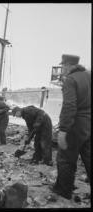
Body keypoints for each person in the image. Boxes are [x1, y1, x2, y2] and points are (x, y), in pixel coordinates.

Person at [51, 54, 91, 200]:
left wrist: (63, 130)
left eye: (63, 66)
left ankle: (64, 190)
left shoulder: (71, 80)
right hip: (88, 125)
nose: (62, 70)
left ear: (68, 65)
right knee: (88, 158)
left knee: (66, 158)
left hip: (75, 125)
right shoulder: (88, 76)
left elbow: (69, 106)